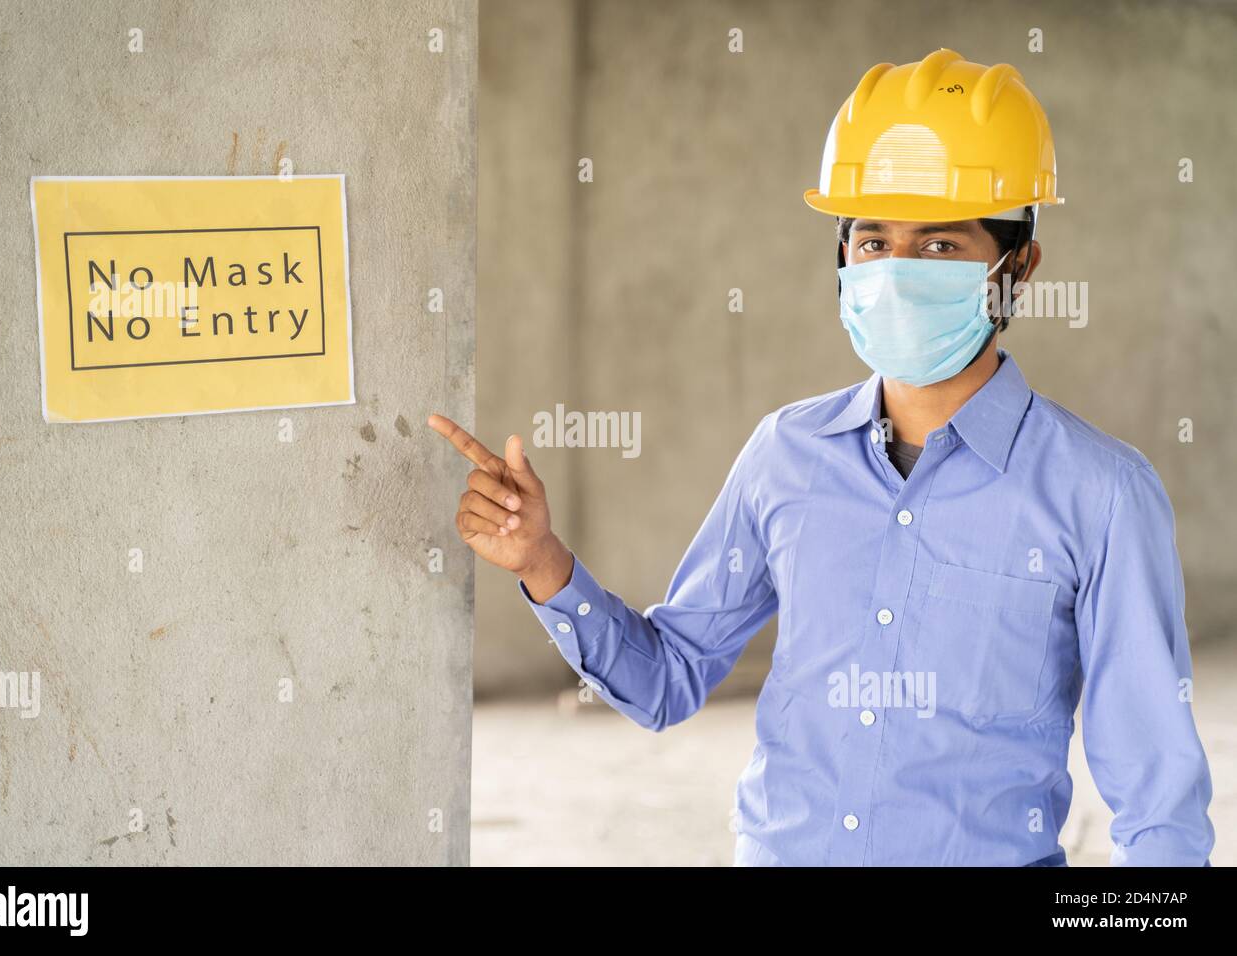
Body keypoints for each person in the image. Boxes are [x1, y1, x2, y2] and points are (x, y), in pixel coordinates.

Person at [429, 49, 1215, 866]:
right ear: (843, 261)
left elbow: (1159, 810)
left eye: (940, 247)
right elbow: (666, 682)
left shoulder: (1101, 494)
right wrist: (542, 560)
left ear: (1017, 269)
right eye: (873, 242)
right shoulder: (787, 455)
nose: (898, 273)